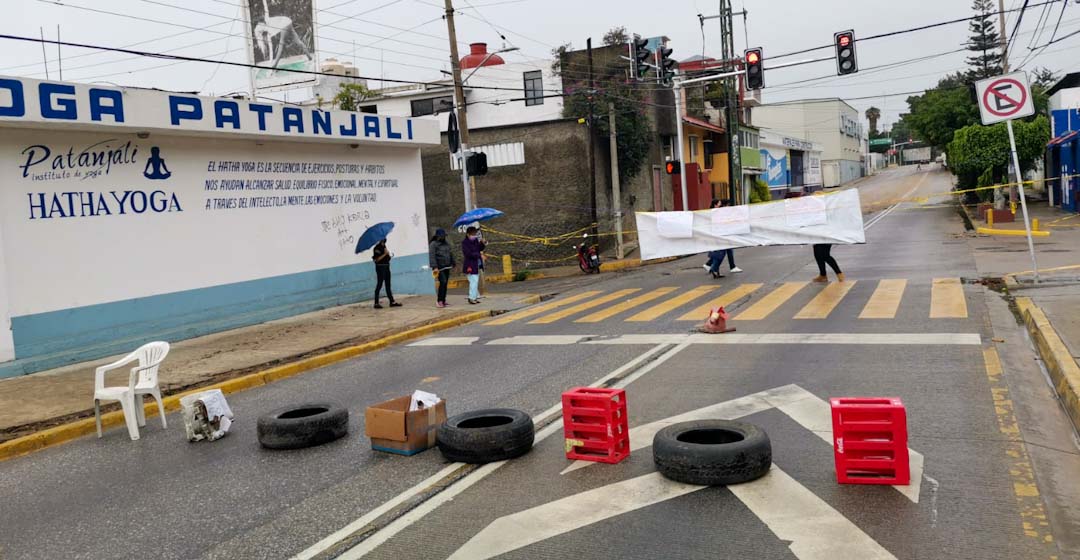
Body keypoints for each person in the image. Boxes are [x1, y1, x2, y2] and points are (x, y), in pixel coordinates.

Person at [704, 198, 744, 278]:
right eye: (719, 204)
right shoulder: (715, 212)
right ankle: (714, 268)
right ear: (715, 205)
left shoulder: (716, 212)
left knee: (720, 252)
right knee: (719, 253)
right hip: (719, 235)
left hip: (720, 234)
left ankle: (715, 269)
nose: (720, 205)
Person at [428, 228, 455, 308]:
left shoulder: (446, 244)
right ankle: (439, 300)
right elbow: (432, 256)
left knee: (445, 283)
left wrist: (453, 262)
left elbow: (450, 253)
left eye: (444, 236)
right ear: (437, 236)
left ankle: (443, 300)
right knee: (442, 282)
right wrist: (434, 267)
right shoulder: (433, 244)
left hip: (447, 266)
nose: (443, 237)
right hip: (439, 268)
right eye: (441, 236)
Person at [371, 239, 401, 309]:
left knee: (388, 285)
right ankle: (376, 303)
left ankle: (392, 301)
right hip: (380, 268)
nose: (385, 239)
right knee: (379, 284)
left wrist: (388, 256)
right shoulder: (376, 248)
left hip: (387, 267)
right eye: (383, 238)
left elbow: (386, 258)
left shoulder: (384, 246)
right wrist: (385, 254)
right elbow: (377, 260)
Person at [462, 226, 486, 304]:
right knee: (474, 281)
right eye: (473, 234)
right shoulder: (465, 243)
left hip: (477, 263)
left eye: (475, 234)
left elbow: (479, 249)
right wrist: (479, 256)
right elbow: (468, 254)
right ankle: (471, 298)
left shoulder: (475, 240)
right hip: (470, 265)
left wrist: (482, 243)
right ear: (468, 234)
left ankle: (474, 297)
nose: (474, 235)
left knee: (474, 281)